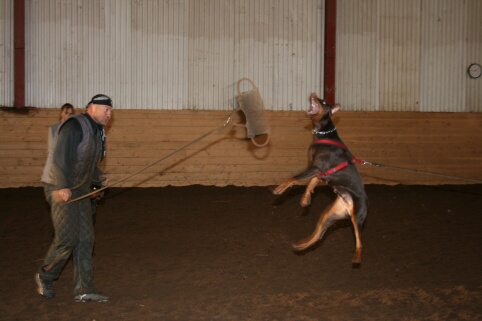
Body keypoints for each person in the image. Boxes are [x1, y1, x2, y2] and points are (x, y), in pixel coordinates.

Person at [36, 94, 114, 303]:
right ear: (91, 108)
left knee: (86, 239)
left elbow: (86, 162)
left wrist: (99, 177)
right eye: (105, 109)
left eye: (111, 110)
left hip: (79, 190)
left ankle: (84, 289)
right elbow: (61, 156)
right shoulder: (75, 125)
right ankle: (45, 275)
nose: (109, 114)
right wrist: (62, 186)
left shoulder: (97, 132)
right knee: (67, 239)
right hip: (59, 187)